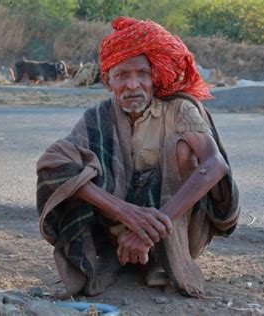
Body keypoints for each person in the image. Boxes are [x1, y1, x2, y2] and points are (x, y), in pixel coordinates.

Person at [36, 16, 240, 298]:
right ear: (108, 81)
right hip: (116, 227)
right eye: (122, 76)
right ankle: (113, 253)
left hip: (174, 228)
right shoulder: (98, 117)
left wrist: (147, 231)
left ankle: (165, 257)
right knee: (73, 169)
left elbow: (214, 164)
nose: (133, 85)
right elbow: (53, 163)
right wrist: (125, 212)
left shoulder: (179, 109)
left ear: (153, 76)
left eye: (141, 74)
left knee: (182, 150)